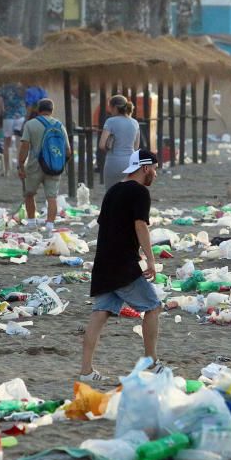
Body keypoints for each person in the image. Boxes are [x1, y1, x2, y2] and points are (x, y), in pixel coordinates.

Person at [79, 148, 163, 383]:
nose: (155, 175)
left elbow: (109, 226)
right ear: (145, 168)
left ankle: (86, 371)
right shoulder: (139, 192)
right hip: (123, 265)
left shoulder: (113, 190)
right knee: (154, 307)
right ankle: (152, 363)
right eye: (154, 170)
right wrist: (151, 259)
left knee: (100, 313)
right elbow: (140, 226)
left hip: (104, 262)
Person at [18, 99, 69, 231]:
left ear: (38, 110)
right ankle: (50, 224)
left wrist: (20, 165)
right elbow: (68, 151)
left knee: (29, 194)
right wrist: (59, 163)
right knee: (52, 196)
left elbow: (24, 146)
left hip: (34, 165)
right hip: (54, 166)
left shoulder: (30, 124)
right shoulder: (59, 125)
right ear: (52, 110)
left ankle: (31, 222)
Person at [99, 94, 141, 190]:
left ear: (114, 107)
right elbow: (136, 147)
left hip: (113, 162)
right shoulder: (135, 123)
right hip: (131, 163)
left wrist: (109, 148)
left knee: (112, 195)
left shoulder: (110, 121)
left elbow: (102, 145)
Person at [0, 82, 26, 176]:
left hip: (8, 117)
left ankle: (7, 170)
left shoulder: (3, 88)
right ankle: (20, 168)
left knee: (6, 144)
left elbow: (0, 105)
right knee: (19, 144)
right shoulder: (22, 87)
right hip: (20, 117)